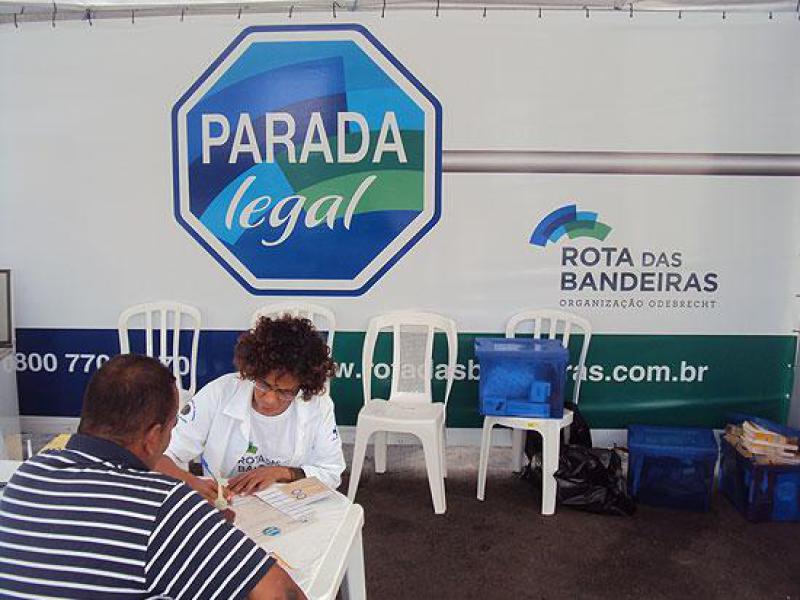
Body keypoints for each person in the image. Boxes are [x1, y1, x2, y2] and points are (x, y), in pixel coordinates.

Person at [0, 354, 305, 600]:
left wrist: (201, 531)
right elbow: (283, 595)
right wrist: (196, 526)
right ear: (153, 437)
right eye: (172, 427)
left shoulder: (27, 476)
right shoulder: (164, 505)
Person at [156, 315, 345, 502]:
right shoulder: (219, 393)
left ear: (303, 386)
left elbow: (331, 473)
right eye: (263, 384)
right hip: (226, 502)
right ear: (252, 371)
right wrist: (192, 482)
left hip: (292, 504)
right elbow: (161, 455)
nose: (270, 400)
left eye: (285, 392)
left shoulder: (317, 405)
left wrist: (282, 473)